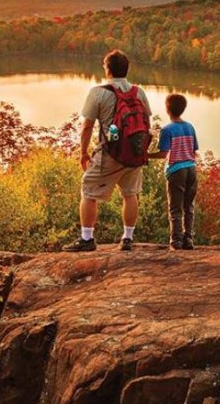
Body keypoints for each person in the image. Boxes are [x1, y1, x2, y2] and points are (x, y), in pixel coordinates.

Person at [63, 49, 152, 252]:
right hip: (134, 152)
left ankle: (87, 239)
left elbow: (87, 126)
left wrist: (83, 152)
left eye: (104, 66)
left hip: (109, 153)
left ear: (108, 69)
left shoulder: (98, 92)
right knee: (130, 194)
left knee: (88, 190)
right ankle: (127, 238)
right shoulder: (139, 92)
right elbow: (146, 121)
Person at [149, 94, 199, 250]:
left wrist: (145, 155)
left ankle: (176, 241)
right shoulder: (190, 127)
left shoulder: (167, 130)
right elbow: (194, 150)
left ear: (167, 109)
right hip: (191, 169)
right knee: (188, 206)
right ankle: (188, 239)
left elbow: (163, 154)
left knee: (175, 208)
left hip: (176, 171)